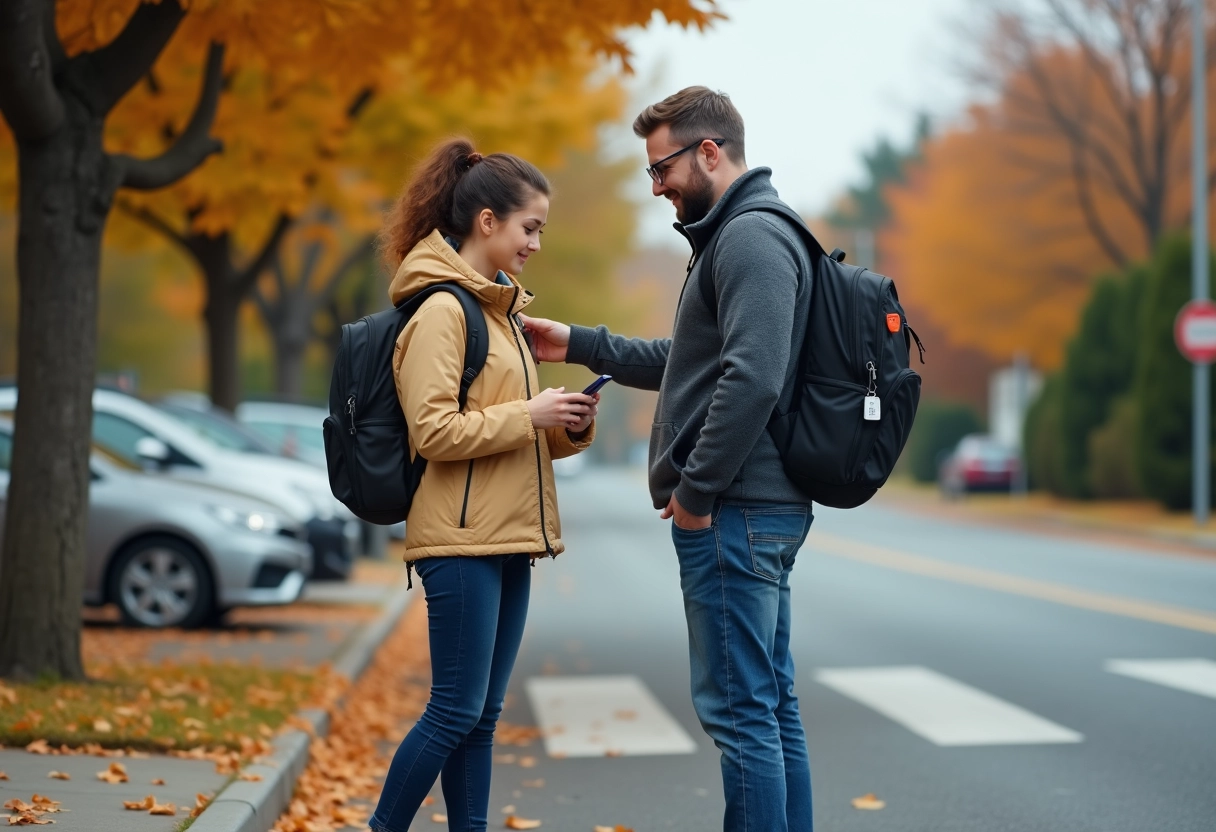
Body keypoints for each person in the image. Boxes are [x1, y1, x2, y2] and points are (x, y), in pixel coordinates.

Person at [521, 87, 816, 832]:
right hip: (757, 506)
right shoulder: (740, 236)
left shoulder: (749, 238)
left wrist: (696, 494)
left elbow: (752, 380)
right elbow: (692, 362)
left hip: (738, 509)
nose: (657, 187)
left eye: (662, 169)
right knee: (768, 705)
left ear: (709, 152)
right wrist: (582, 345)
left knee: (741, 712)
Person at [369, 138, 598, 832]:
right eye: (530, 227)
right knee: (454, 710)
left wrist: (566, 422)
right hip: (460, 542)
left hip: (506, 540)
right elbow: (433, 432)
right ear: (488, 222)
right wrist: (527, 412)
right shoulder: (443, 311)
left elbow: (513, 436)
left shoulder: (506, 318)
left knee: (482, 718)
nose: (535, 243)